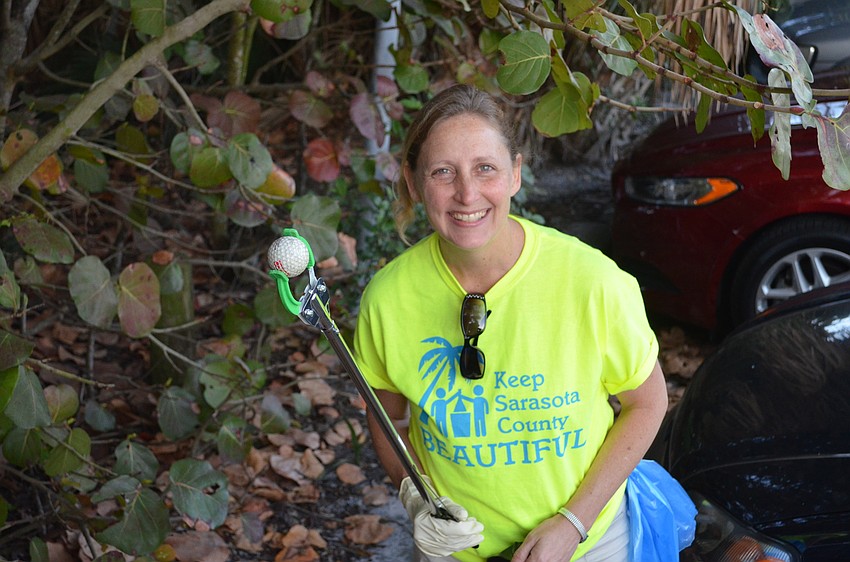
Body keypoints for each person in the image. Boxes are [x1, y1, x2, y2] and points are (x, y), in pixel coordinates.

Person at [352, 84, 669, 562]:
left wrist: (573, 523)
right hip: (455, 551)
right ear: (414, 183)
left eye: (486, 168)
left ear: (516, 173)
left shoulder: (593, 281)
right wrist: (415, 497)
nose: (467, 193)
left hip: (589, 542)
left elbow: (646, 404)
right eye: (443, 172)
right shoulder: (387, 298)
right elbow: (388, 418)